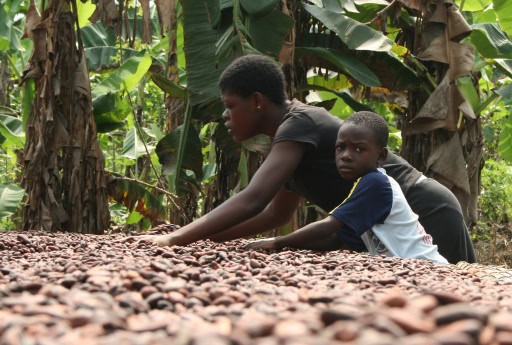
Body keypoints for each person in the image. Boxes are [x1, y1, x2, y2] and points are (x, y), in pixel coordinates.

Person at [134, 54, 475, 263]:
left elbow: (254, 199)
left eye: (229, 106)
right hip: (392, 227)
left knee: (458, 306)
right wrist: (203, 239)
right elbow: (274, 214)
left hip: (427, 208)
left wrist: (173, 240)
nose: (225, 117)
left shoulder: (300, 124)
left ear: (256, 101)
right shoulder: (289, 140)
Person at [246, 112, 448, 264]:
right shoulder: (363, 185)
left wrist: (278, 242)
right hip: (412, 269)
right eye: (340, 148)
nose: (346, 155)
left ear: (381, 156)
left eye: (359, 149)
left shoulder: (376, 183)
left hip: (429, 267)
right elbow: (335, 241)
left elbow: (328, 226)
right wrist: (289, 247)